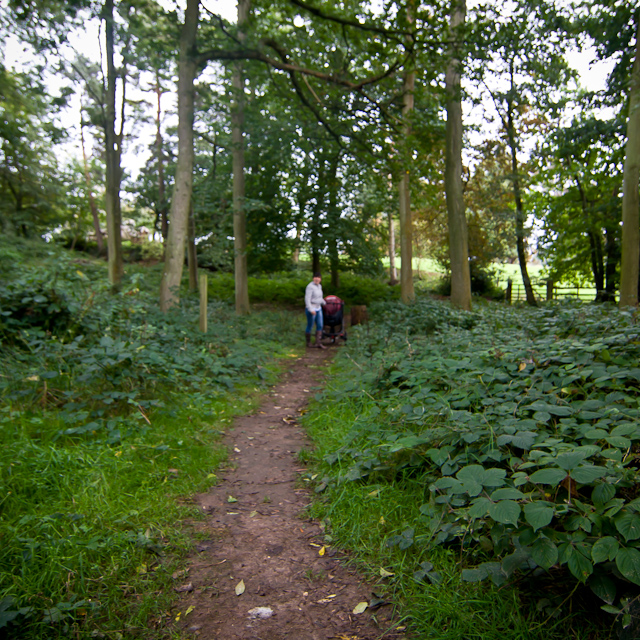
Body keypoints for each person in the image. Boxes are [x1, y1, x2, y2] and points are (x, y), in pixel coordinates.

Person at [304, 272, 326, 349]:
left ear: (320, 279)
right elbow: (307, 299)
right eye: (315, 277)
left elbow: (319, 297)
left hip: (318, 308)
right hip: (312, 308)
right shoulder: (310, 287)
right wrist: (310, 309)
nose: (317, 279)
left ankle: (318, 342)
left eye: (318, 277)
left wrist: (325, 302)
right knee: (310, 325)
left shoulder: (319, 286)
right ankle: (308, 342)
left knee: (320, 325)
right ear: (313, 278)